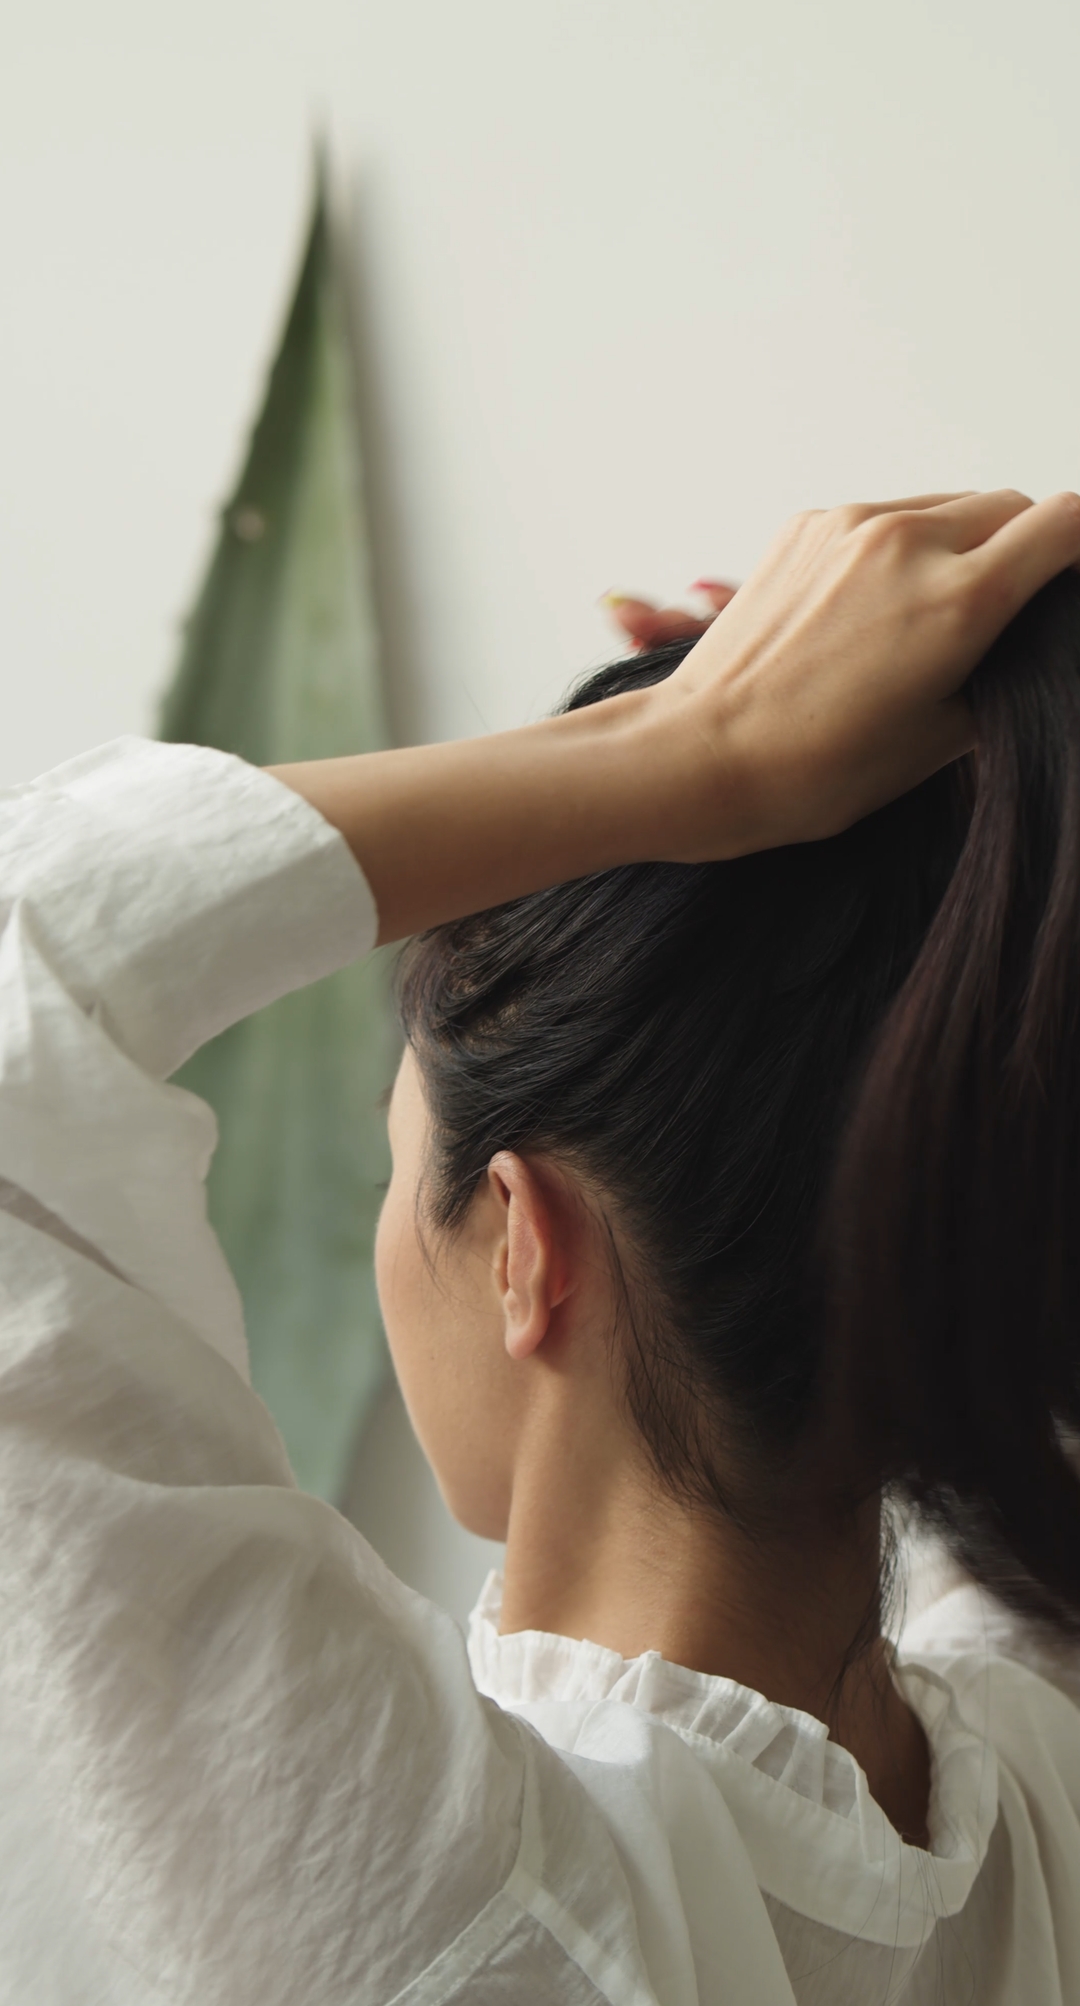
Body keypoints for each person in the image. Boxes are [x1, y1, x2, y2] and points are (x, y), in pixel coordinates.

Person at [1, 491, 1079, 2006]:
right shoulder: (1037, 1807)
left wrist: (675, 759)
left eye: (397, 1157)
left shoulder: (426, 1900)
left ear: (522, 1243)